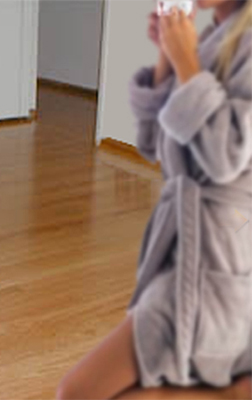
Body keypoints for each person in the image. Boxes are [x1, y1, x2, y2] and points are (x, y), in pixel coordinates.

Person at [56, 0, 252, 399]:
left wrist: (184, 60)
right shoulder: (216, 36)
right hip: (184, 254)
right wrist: (168, 57)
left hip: (217, 256)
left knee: (80, 392)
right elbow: (151, 144)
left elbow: (224, 156)